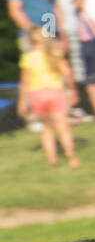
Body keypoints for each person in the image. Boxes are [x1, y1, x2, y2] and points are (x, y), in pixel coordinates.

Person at [18, 31, 78, 168]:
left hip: (37, 95)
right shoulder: (55, 54)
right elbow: (67, 73)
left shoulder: (28, 58)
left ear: (31, 42)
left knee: (47, 128)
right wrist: (72, 90)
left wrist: (22, 102)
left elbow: (25, 83)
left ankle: (52, 159)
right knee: (63, 128)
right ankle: (71, 157)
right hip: (55, 93)